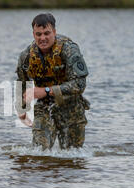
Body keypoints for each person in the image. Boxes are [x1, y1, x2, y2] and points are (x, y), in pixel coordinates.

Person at [16, 13, 90, 150]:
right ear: (33, 34)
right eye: (38, 34)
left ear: (54, 32)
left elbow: (80, 84)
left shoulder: (69, 50)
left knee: (73, 157)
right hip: (44, 108)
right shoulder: (26, 56)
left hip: (71, 107)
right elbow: (22, 82)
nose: (42, 38)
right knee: (39, 153)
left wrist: (46, 91)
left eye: (46, 33)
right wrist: (22, 110)